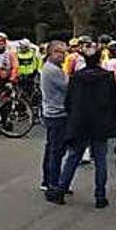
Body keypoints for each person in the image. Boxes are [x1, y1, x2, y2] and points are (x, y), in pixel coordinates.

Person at [46, 41, 116, 207]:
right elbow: (115, 102)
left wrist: (74, 116)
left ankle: (61, 189)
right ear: (100, 59)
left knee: (73, 156)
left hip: (81, 123)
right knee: (101, 160)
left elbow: (69, 101)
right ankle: (100, 196)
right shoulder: (107, 78)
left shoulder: (77, 78)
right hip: (100, 124)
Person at [39, 41, 68, 192]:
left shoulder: (52, 68)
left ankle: (48, 179)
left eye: (64, 52)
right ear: (50, 53)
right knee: (56, 151)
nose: (62, 55)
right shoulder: (53, 70)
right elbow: (68, 87)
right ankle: (53, 182)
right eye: (58, 52)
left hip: (52, 112)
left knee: (51, 148)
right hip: (57, 114)